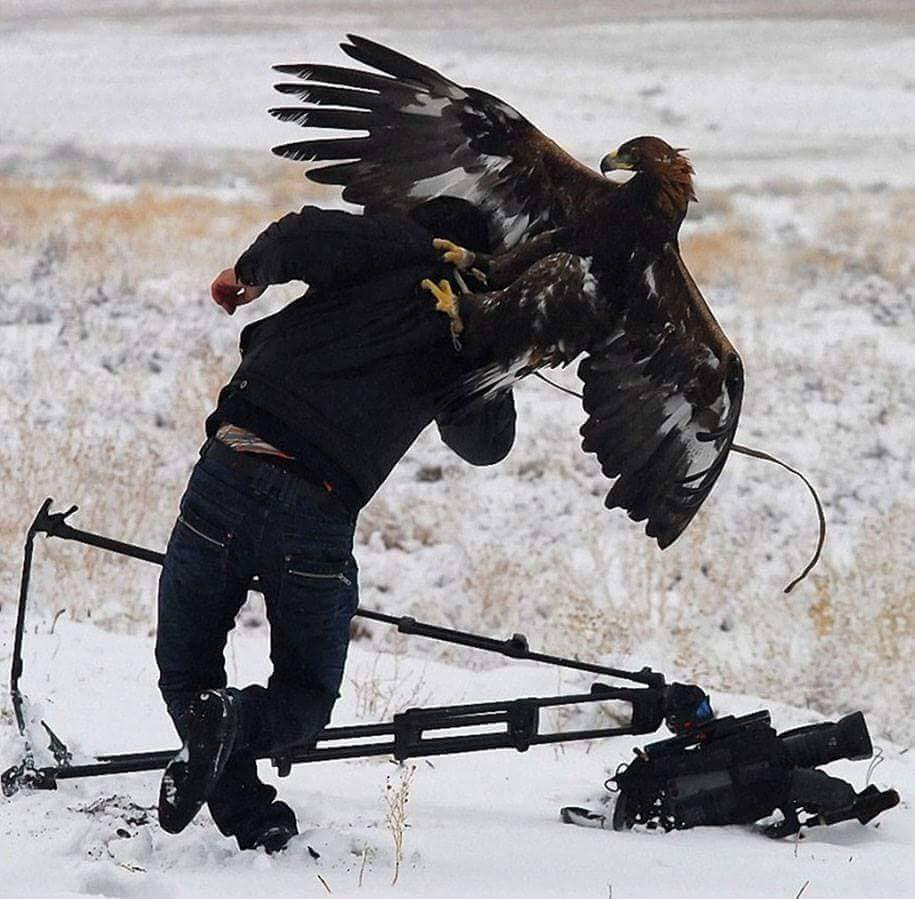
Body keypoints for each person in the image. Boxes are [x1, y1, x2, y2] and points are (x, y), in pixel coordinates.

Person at [155, 198, 516, 853]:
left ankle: (234, 774)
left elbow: (303, 233)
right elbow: (486, 444)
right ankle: (242, 778)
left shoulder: (384, 246)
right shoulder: (467, 324)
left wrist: (248, 270)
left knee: (186, 671)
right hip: (313, 509)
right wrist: (492, 348)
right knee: (304, 696)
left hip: (228, 467)